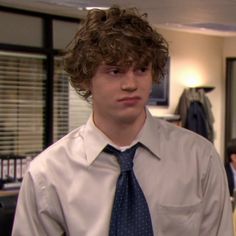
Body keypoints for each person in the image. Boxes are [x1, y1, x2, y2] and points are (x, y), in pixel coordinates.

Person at [12, 6, 233, 236]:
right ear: (86, 78)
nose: (130, 84)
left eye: (141, 69)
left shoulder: (199, 159)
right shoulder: (48, 174)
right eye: (115, 71)